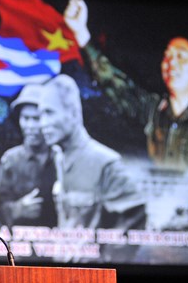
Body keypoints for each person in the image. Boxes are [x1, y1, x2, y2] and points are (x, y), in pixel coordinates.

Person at [63, 0, 188, 171]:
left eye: (180, 56)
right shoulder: (150, 109)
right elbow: (115, 82)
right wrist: (81, 32)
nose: (171, 62)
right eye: (167, 56)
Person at [39, 74, 147, 262]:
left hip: (90, 281)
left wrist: (107, 264)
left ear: (73, 113)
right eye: (41, 115)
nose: (43, 124)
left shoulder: (105, 163)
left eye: (49, 113)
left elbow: (135, 214)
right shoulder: (59, 158)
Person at [0, 84, 57, 228]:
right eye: (25, 118)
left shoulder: (61, 158)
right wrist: (18, 209)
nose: (30, 126)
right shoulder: (11, 160)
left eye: (36, 119)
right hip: (22, 241)